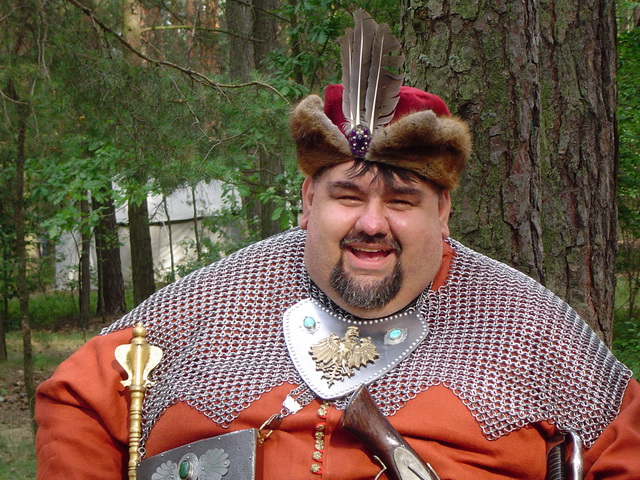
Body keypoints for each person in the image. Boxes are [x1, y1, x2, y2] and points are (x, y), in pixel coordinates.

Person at [35, 11, 640, 480]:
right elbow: (76, 400)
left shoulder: (526, 327)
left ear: (443, 212)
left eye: (401, 201)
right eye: (348, 196)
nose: (371, 223)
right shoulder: (218, 295)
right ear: (308, 201)